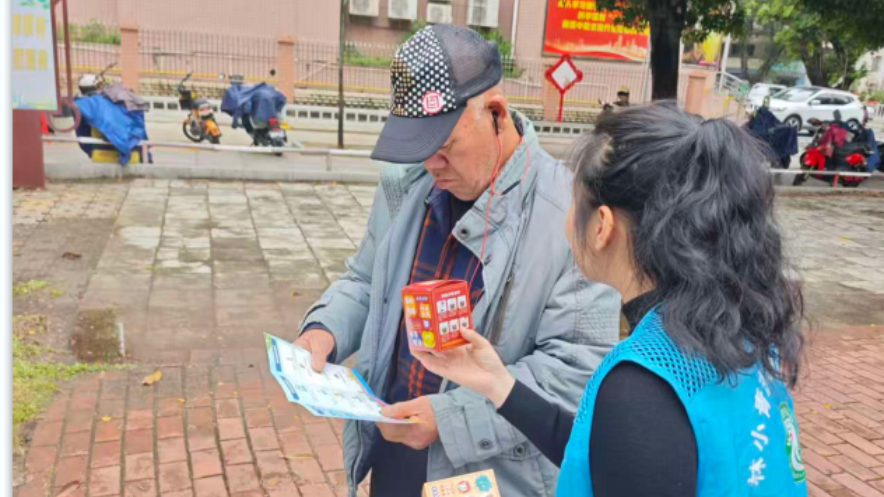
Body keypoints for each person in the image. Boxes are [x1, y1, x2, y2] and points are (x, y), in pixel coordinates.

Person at [413, 101, 809, 496]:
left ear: (601, 226)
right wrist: (496, 383)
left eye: (574, 202)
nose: (567, 218)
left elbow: (634, 443)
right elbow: (610, 456)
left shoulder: (642, 386)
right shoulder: (736, 329)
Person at [294, 25, 620, 497]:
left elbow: (575, 368)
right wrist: (324, 329)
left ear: (496, 114)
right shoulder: (407, 185)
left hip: (493, 470)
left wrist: (450, 420)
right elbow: (367, 281)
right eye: (419, 148)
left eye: (444, 147)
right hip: (393, 448)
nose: (432, 165)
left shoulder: (570, 215)